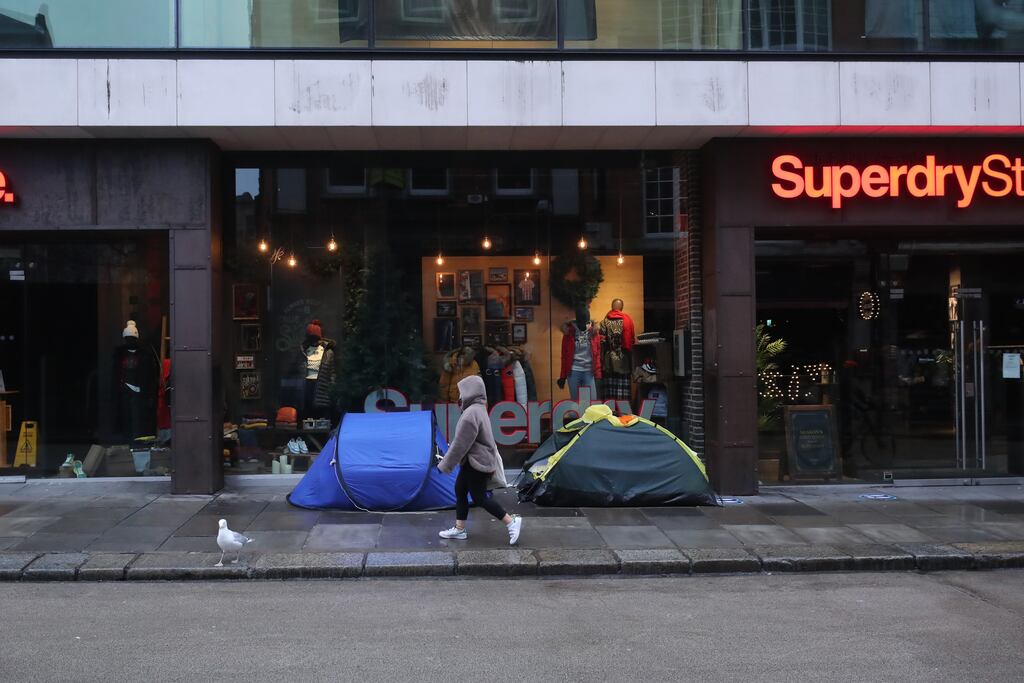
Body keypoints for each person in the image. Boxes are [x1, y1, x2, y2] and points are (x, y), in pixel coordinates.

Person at [436, 375, 523, 544]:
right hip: (476, 460)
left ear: (469, 392)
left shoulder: (470, 414)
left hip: (476, 462)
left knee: (479, 498)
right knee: (460, 489)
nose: (459, 396)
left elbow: (460, 444)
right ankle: (460, 529)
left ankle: (511, 522)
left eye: (461, 392)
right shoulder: (478, 408)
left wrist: (445, 465)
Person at [558, 306, 602, 402]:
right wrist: (562, 376)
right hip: (574, 371)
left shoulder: (594, 333)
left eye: (586, 323)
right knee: (576, 402)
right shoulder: (568, 333)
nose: (584, 325)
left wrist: (598, 375)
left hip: (589, 371)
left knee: (592, 402)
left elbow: (597, 355)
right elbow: (564, 357)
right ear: (577, 321)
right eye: (581, 323)